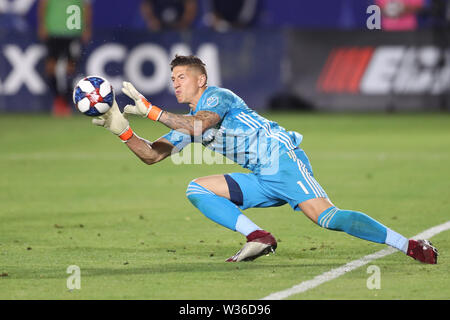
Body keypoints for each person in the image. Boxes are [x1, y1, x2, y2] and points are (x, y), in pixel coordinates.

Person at [92, 55, 438, 264]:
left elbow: (200, 126)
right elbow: (153, 155)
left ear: (202, 79)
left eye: (181, 78)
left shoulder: (218, 97)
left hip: (280, 160)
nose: (176, 84)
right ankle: (259, 236)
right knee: (197, 188)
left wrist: (151, 111)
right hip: (259, 174)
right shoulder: (185, 120)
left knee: (327, 218)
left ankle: (407, 245)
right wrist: (121, 130)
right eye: (172, 80)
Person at [37, 0, 92, 116]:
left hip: (73, 32)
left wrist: (87, 27)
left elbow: (86, 6)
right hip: (54, 30)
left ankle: (66, 102)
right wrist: (42, 24)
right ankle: (59, 100)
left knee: (70, 68)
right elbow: (43, 4)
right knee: (50, 67)